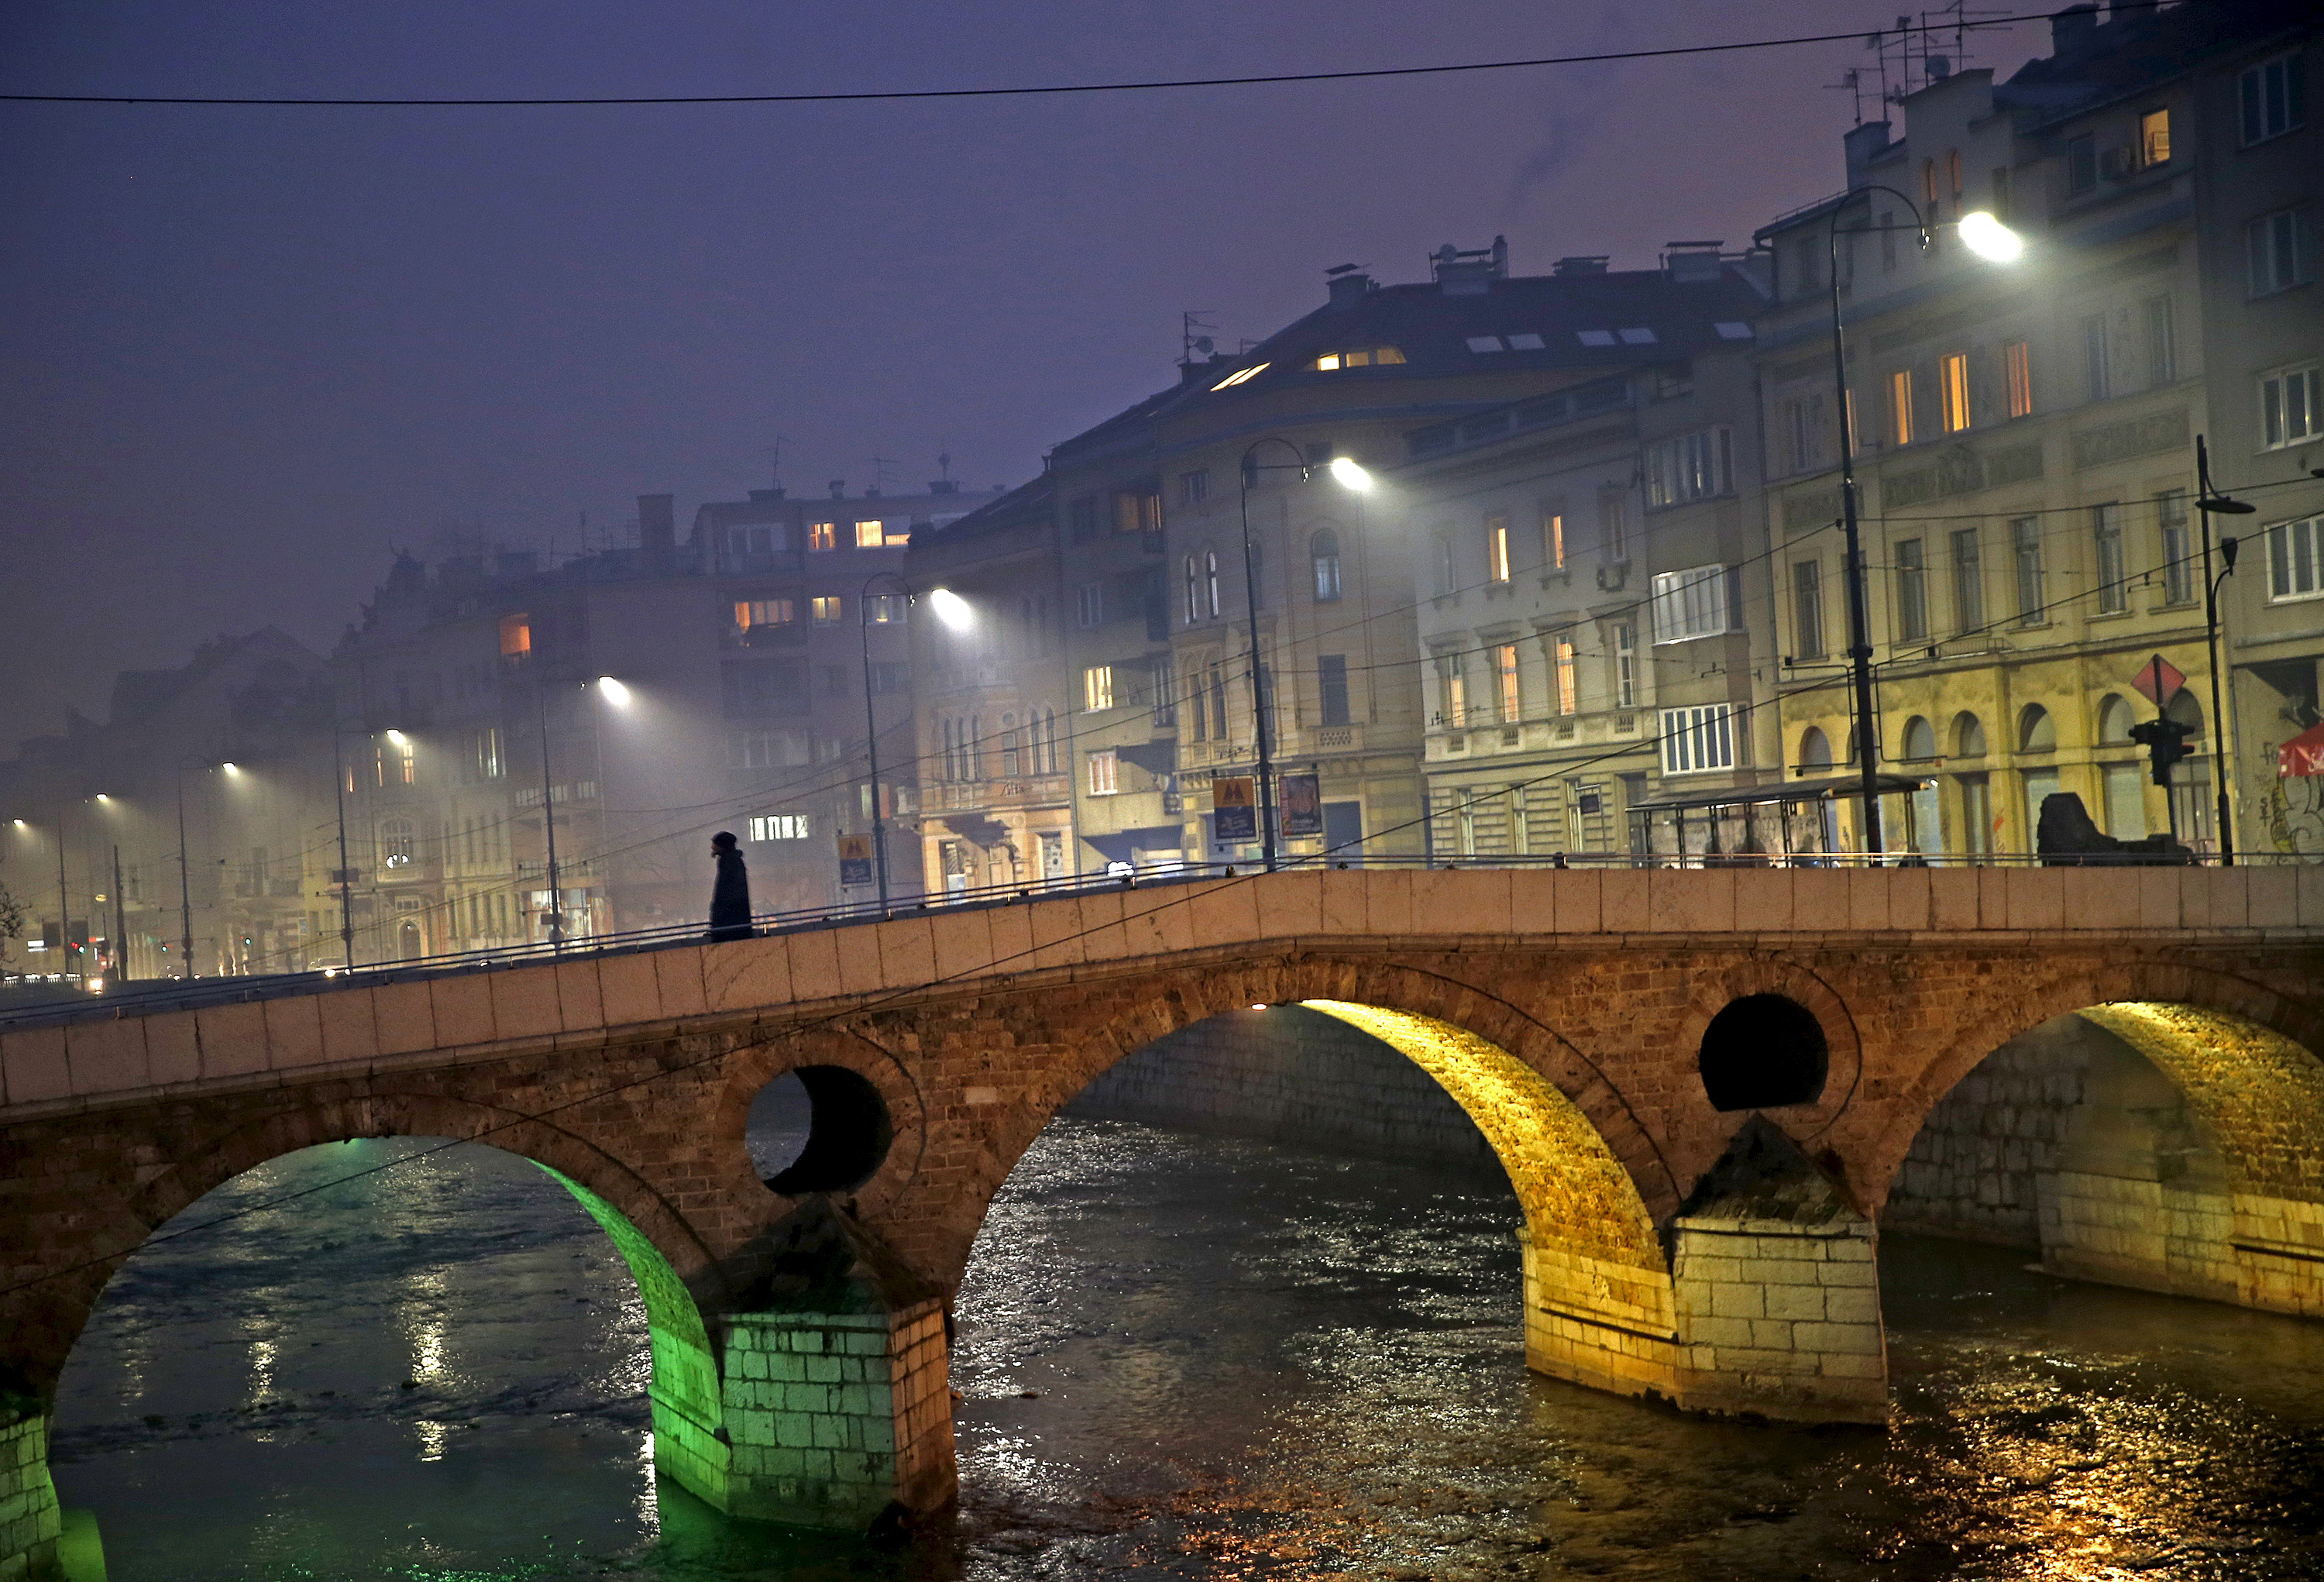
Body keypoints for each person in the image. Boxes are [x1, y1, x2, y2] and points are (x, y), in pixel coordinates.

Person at [706, 831, 755, 941]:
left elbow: (727, 894)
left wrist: (719, 918)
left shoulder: (729, 863)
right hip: (735, 923)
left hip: (730, 925)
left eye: (715, 844)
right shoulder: (732, 861)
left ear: (723, 846)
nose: (712, 847)